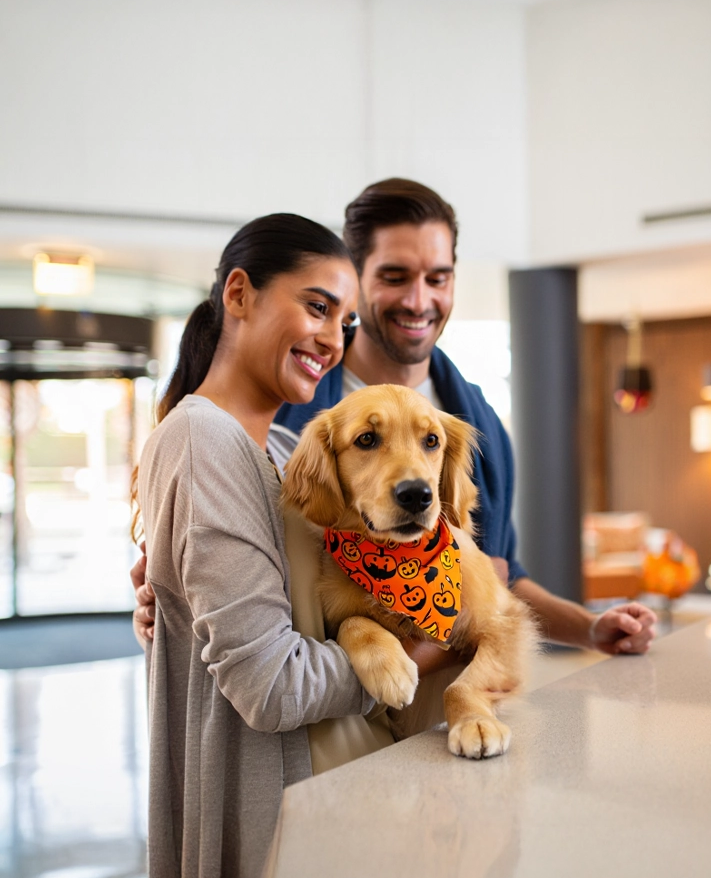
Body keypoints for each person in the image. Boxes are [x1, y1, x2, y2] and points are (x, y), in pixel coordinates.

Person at [134, 180, 657, 657]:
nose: (419, 299)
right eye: (395, 276)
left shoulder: (477, 424)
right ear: (355, 282)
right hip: (334, 717)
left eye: (438, 278)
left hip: (458, 713)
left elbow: (502, 575)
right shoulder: (288, 405)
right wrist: (174, 596)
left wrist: (589, 629)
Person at [135, 213, 428, 878]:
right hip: (271, 821)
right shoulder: (205, 440)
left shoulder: (283, 451)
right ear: (239, 295)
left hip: (333, 807)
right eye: (317, 307)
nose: (332, 339)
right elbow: (269, 686)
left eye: (345, 322)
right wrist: (413, 652)